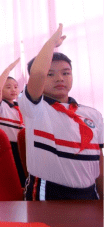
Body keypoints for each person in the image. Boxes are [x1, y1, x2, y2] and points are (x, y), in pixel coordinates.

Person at [19, 24, 104, 200]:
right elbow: (38, 74)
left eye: (66, 73)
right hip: (48, 192)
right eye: (51, 74)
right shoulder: (35, 108)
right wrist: (51, 44)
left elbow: (99, 161)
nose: (60, 78)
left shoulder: (92, 115)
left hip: (89, 193)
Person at [0, 58, 25, 186]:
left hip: (23, 146)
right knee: (13, 179)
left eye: (16, 87)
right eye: (8, 87)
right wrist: (9, 68)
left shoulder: (20, 107)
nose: (13, 90)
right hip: (9, 147)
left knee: (25, 178)